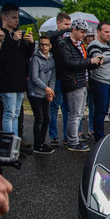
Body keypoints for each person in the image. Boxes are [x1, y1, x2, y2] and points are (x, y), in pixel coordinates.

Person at [55, 18, 103, 151]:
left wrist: (94, 63)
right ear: (74, 30)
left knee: (79, 114)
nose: (84, 35)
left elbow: (83, 64)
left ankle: (73, 139)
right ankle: (72, 142)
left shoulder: (79, 44)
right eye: (82, 32)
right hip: (73, 82)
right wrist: (89, 61)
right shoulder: (64, 43)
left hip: (82, 81)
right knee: (75, 114)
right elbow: (68, 63)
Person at [0, 3, 35, 136]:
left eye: (17, 17)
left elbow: (26, 55)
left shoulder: (18, 33)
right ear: (4, 18)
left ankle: (15, 142)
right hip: (6, 79)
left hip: (19, 79)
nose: (17, 20)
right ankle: (8, 143)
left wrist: (31, 43)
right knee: (8, 113)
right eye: (14, 17)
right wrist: (13, 42)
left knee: (16, 113)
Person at [86, 22, 110, 141]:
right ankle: (99, 137)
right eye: (106, 32)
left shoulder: (107, 45)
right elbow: (98, 60)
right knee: (100, 110)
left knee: (103, 111)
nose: (108, 34)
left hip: (107, 82)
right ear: (98, 31)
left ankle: (100, 134)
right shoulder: (94, 45)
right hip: (99, 81)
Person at [46, 12, 71, 146]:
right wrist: (65, 31)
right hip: (55, 76)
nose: (68, 27)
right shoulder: (53, 35)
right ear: (58, 23)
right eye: (66, 24)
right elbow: (48, 37)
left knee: (67, 108)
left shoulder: (69, 38)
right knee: (54, 107)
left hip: (66, 76)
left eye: (69, 24)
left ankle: (67, 136)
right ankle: (53, 135)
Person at [27, 35, 55, 154]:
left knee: (47, 119)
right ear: (39, 45)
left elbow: (53, 77)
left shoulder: (52, 60)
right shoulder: (35, 59)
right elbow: (34, 77)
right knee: (39, 118)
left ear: (50, 46)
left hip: (45, 93)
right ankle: (37, 145)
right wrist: (46, 88)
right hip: (35, 93)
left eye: (46, 45)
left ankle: (42, 142)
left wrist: (51, 92)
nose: (44, 47)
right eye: (42, 44)